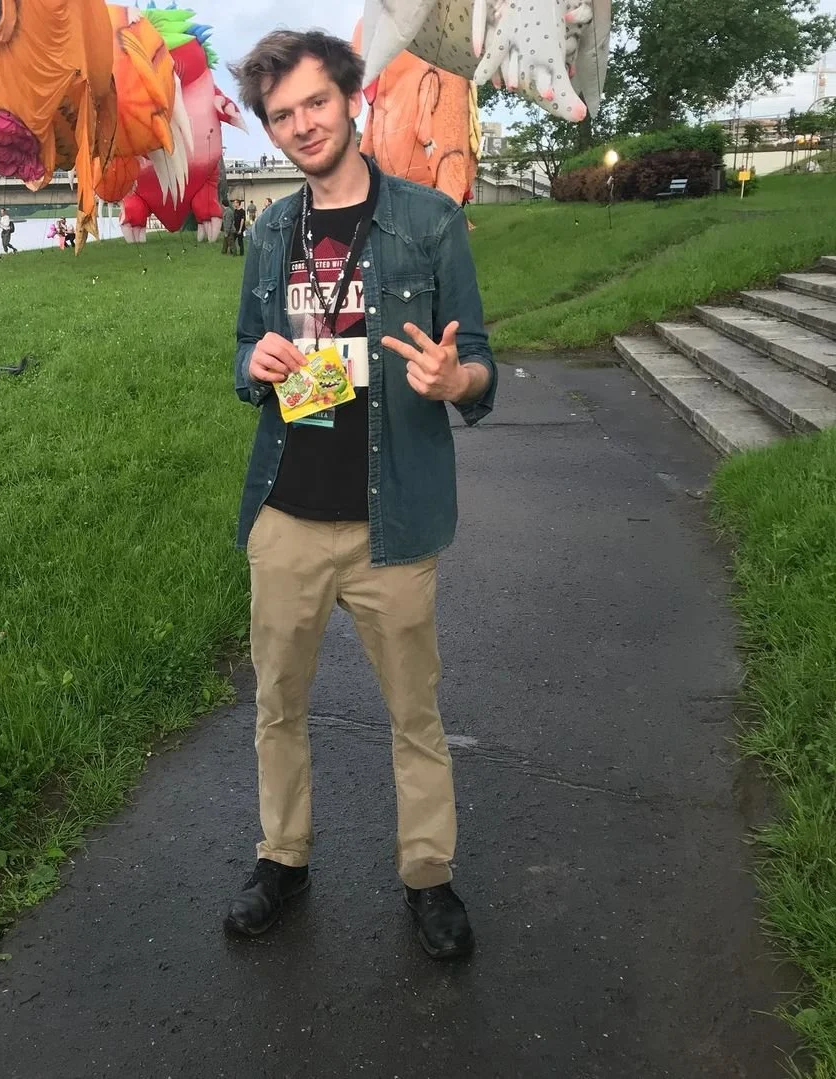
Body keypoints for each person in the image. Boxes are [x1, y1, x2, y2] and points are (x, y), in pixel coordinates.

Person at [226, 30, 496, 959]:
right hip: (287, 516)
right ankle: (282, 860)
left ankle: (429, 877)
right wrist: (253, 362)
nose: (303, 124)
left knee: (414, 715)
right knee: (277, 704)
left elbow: (482, 368)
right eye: (282, 115)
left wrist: (453, 381)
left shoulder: (427, 221)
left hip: (395, 518)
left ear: (350, 100)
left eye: (315, 103)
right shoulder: (269, 231)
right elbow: (244, 353)